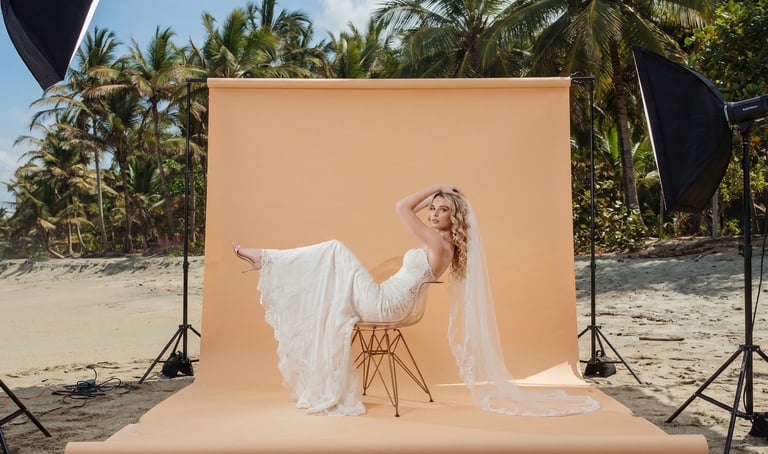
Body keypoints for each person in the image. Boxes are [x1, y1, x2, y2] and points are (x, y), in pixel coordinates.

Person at [233, 183, 599, 416]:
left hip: (386, 305)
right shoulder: (445, 245)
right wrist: (439, 193)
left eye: (442, 209)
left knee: (334, 248)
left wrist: (435, 185)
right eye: (433, 208)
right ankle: (268, 261)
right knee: (332, 261)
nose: (434, 213)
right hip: (387, 299)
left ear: (454, 217)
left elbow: (400, 207)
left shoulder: (438, 244)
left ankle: (266, 259)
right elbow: (408, 213)